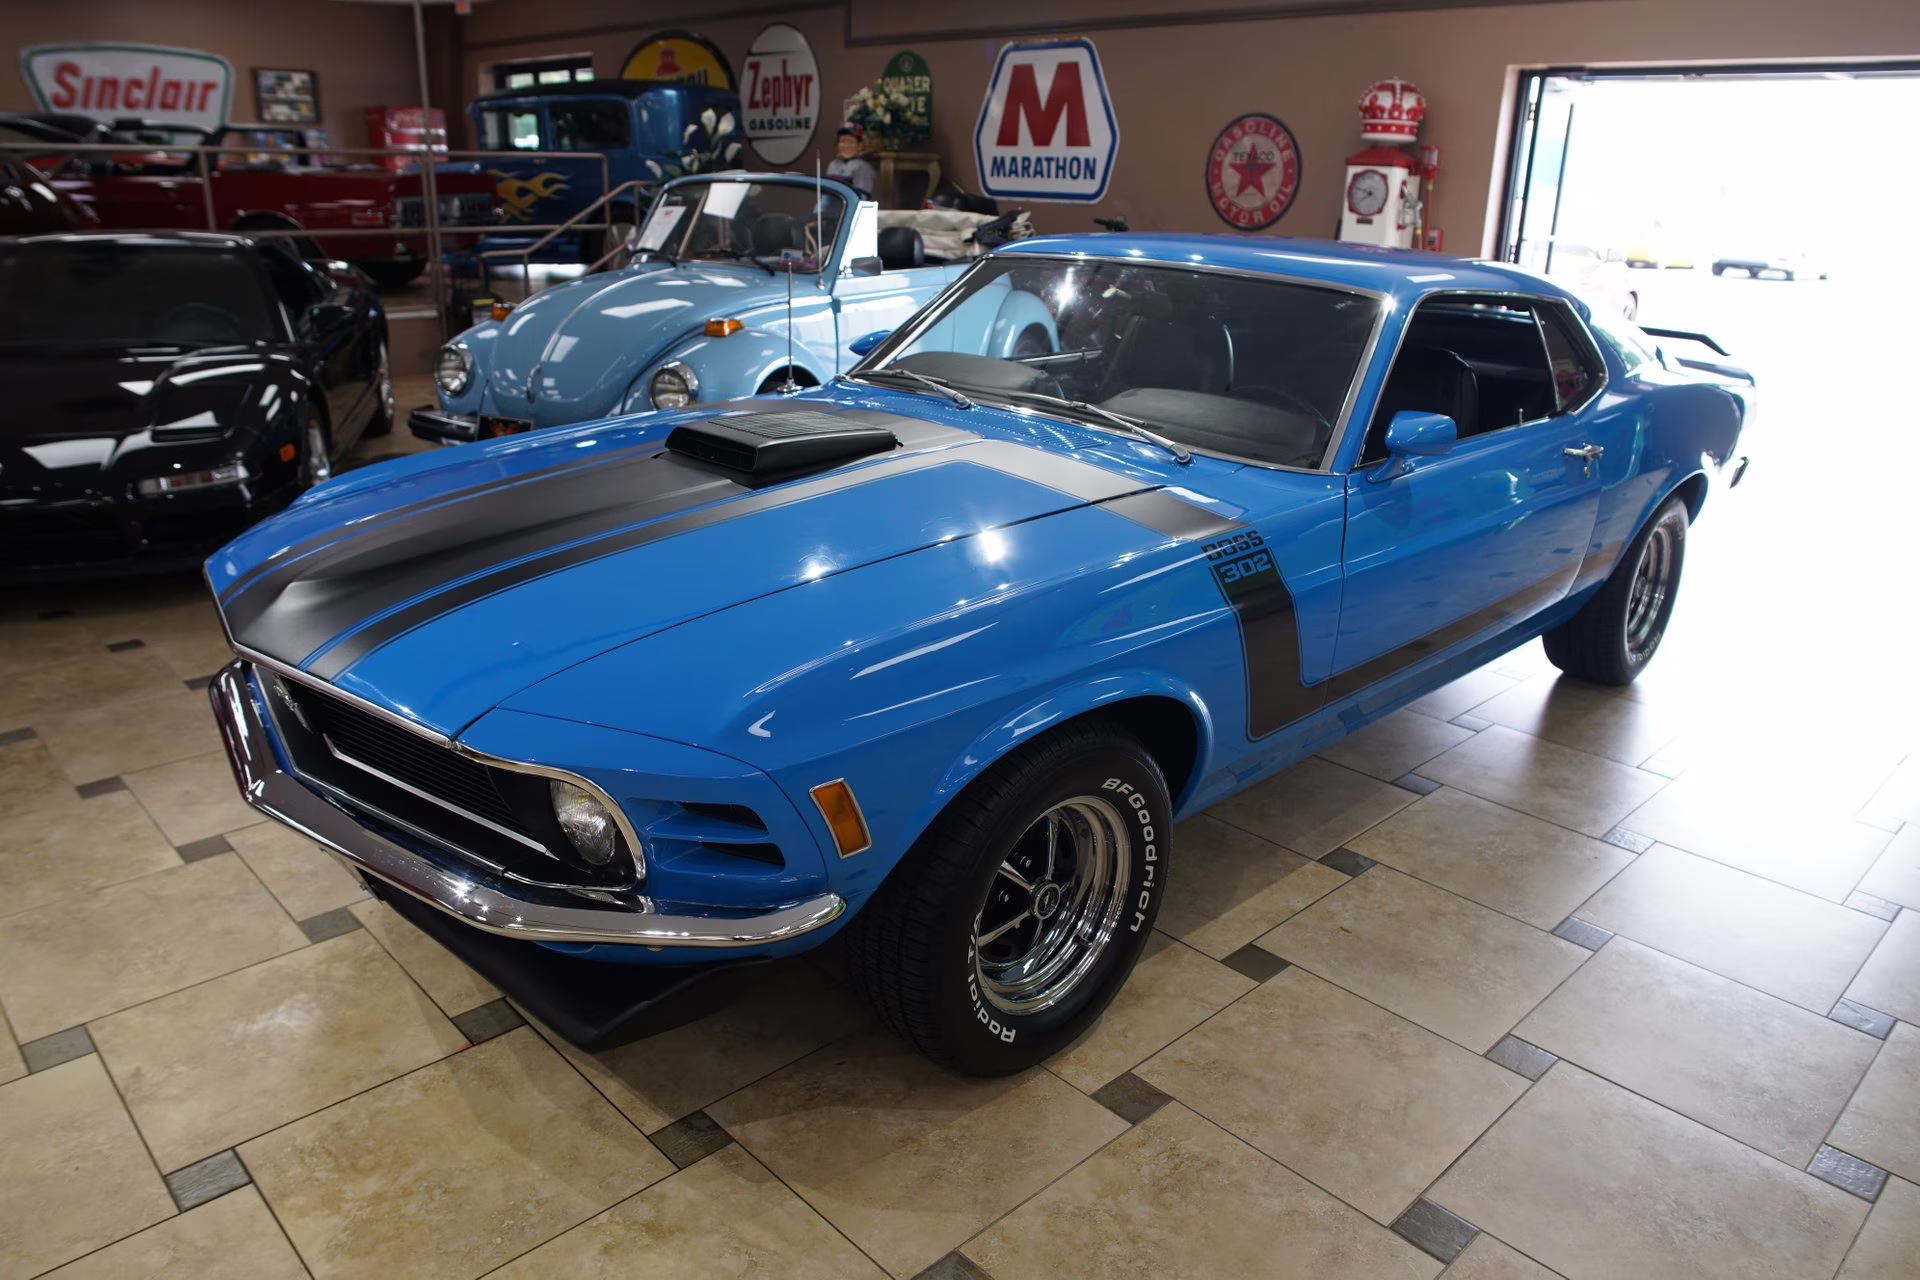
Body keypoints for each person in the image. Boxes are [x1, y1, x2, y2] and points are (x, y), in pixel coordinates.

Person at [827, 123, 877, 201]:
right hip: (833, 210)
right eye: (842, 141)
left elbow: (862, 197)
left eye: (850, 142)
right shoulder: (833, 165)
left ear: (859, 146)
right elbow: (827, 195)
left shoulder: (862, 167)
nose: (846, 145)